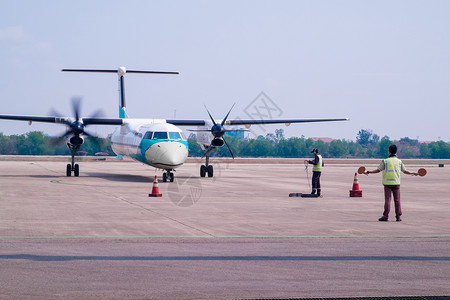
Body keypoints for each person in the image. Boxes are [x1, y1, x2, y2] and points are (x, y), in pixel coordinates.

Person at [365, 144, 419, 222]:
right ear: (396, 152)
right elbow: (405, 171)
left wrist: (368, 172)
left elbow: (378, 170)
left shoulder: (385, 161)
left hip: (387, 184)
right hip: (396, 183)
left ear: (389, 151)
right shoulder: (399, 161)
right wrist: (414, 173)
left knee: (388, 200)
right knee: (397, 200)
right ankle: (398, 216)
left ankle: (385, 216)